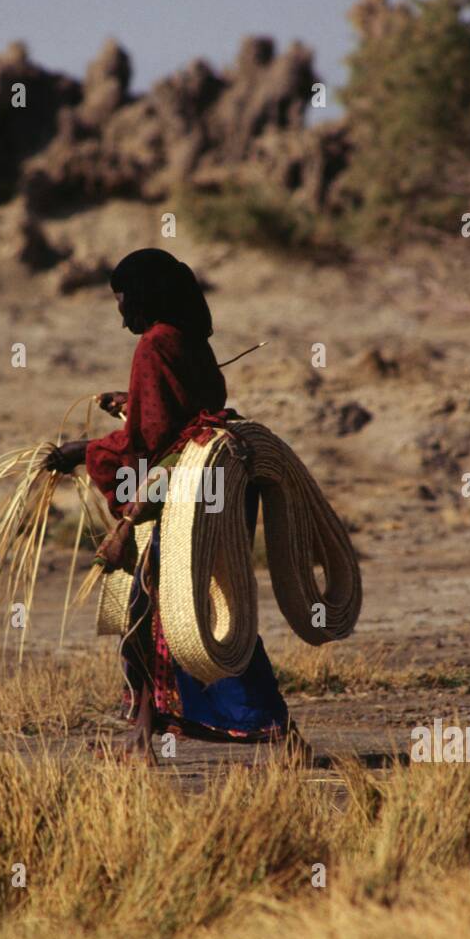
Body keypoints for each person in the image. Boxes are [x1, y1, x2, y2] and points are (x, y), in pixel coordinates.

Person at [47, 248, 297, 759]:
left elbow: (152, 443)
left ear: (145, 298)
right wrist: (131, 402)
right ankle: (156, 728)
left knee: (160, 611)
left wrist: (83, 451)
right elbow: (179, 413)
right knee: (170, 608)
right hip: (207, 489)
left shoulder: (154, 346)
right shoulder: (188, 338)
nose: (121, 315)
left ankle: (263, 727)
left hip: (178, 491)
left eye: (123, 301)